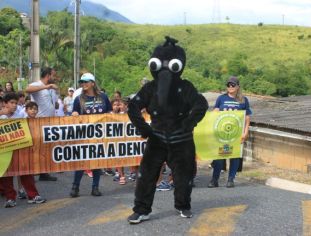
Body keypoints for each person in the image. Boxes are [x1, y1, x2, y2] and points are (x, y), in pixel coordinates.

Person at [127, 36, 208, 224]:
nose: (164, 68)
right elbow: (133, 106)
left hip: (182, 139)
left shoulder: (185, 87)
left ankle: (183, 205)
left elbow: (200, 105)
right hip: (157, 137)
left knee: (184, 176)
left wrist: (188, 124)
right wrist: (144, 129)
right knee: (146, 175)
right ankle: (141, 209)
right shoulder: (150, 88)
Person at [69, 72, 112, 198]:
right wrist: (75, 114)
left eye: (86, 82)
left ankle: (95, 187)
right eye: (82, 82)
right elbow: (74, 112)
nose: (83, 84)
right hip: (84, 134)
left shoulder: (103, 97)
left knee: (96, 161)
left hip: (100, 134)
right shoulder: (79, 99)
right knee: (82, 161)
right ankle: (75, 186)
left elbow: (109, 111)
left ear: (93, 83)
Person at [0, 93, 46, 208]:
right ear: (5, 104)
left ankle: (33, 195)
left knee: (26, 171)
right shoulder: (1, 116)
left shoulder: (20, 114)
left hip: (21, 148)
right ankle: (10, 198)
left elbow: (30, 119)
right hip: (5, 151)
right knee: (7, 175)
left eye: (15, 103)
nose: (14, 105)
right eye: (11, 103)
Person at [208, 76, 252, 188]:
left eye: (233, 85)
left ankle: (231, 179)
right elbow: (215, 112)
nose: (230, 87)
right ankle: (214, 180)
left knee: (234, 156)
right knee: (219, 156)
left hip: (236, 133)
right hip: (221, 133)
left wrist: (245, 132)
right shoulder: (221, 98)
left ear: (238, 87)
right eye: (228, 85)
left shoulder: (243, 100)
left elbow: (247, 117)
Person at [25, 67, 58, 181]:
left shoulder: (52, 88)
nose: (54, 78)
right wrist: (46, 86)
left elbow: (53, 103)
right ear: (48, 75)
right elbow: (27, 89)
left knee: (47, 148)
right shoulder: (38, 84)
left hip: (50, 122)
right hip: (39, 122)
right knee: (37, 147)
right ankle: (33, 170)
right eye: (53, 75)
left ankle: (44, 173)